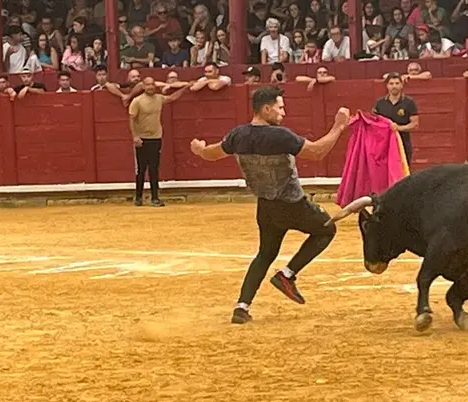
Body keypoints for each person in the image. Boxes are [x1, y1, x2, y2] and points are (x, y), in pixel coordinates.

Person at [189, 86, 350, 324]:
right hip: (293, 205)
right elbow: (316, 152)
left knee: (265, 253)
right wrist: (339, 126)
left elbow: (213, 153)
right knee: (327, 229)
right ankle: (287, 274)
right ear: (266, 109)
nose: (283, 112)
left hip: (266, 206)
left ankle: (241, 307)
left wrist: (200, 150)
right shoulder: (279, 136)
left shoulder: (238, 135)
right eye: (280, 107)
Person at [128, 76, 191, 207]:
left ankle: (155, 197)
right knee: (141, 170)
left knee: (154, 169)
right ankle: (138, 197)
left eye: (152, 84)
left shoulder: (158, 98)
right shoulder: (137, 101)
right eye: (148, 85)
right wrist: (135, 136)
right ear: (143, 86)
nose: (150, 87)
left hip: (156, 138)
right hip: (142, 139)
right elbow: (131, 119)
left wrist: (185, 88)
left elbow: (172, 98)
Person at [371, 73, 419, 166]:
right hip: (384, 144)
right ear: (387, 86)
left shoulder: (409, 102)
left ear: (401, 85)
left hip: (403, 143)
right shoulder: (380, 103)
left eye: (397, 83)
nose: (394, 86)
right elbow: (374, 123)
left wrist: (399, 128)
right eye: (391, 83)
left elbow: (415, 124)